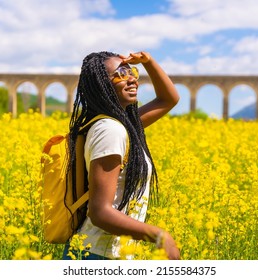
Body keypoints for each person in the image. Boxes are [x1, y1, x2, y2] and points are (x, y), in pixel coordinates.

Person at [63, 51, 180, 260]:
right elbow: (100, 212)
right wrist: (160, 236)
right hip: (97, 255)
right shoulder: (110, 130)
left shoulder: (123, 125)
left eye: (132, 71)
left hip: (105, 253)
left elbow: (168, 99)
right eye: (120, 74)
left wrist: (148, 62)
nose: (132, 78)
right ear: (102, 85)